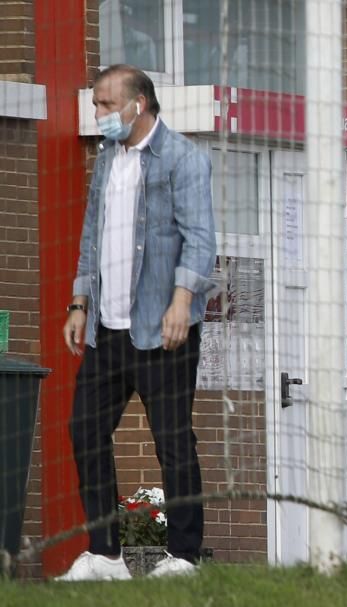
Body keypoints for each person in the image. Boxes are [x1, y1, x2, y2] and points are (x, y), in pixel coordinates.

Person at [57, 64, 217, 581]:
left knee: (172, 440)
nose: (98, 113)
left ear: (138, 104)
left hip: (163, 330)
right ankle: (105, 554)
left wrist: (181, 300)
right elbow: (91, 237)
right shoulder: (106, 160)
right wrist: (79, 303)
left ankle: (184, 557)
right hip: (109, 329)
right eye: (96, 104)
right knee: (85, 429)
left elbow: (201, 239)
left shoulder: (183, 159)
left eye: (105, 104)